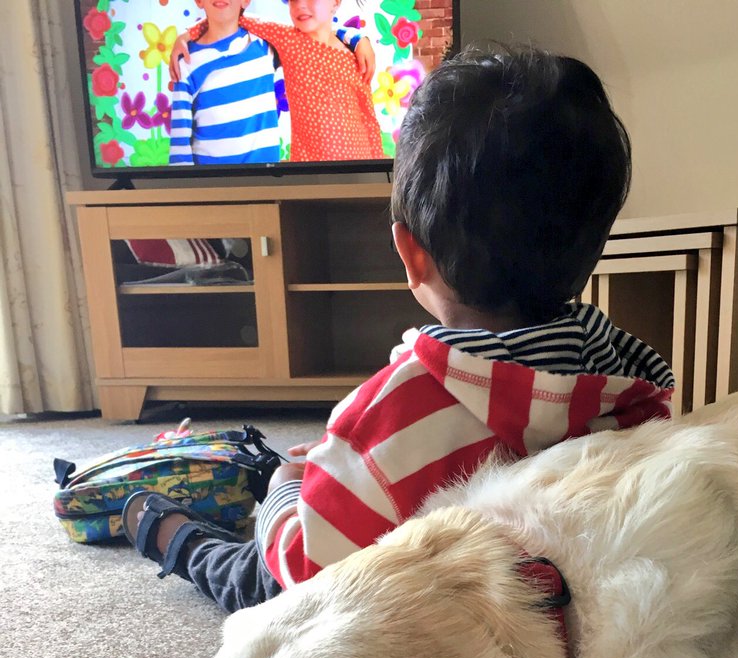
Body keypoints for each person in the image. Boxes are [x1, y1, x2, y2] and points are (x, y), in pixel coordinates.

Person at [125, 44, 676, 613]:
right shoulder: (629, 378)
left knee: (253, 573)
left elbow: (308, 570)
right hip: (546, 606)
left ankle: (175, 538)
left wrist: (286, 490)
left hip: (409, 621)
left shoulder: (392, 410)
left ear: (410, 252)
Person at [171, 0, 384, 163]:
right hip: (309, 172)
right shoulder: (286, 39)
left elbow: (369, 118)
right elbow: (232, 17)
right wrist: (187, 34)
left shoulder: (354, 56)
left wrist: (357, 39)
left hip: (358, 166)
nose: (301, 5)